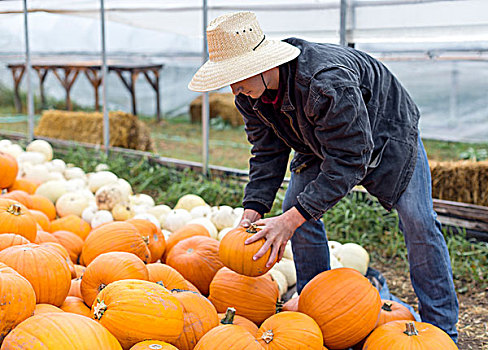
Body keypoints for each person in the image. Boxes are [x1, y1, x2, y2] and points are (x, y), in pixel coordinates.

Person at [188, 11, 458, 342]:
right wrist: (253, 208)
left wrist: (289, 221)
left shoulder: (325, 81)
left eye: (236, 75)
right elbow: (267, 152)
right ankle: (320, 313)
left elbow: (351, 157)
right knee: (297, 210)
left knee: (418, 220)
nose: (234, 87)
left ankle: (443, 327)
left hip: (386, 130)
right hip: (317, 137)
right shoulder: (249, 95)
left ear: (260, 64)